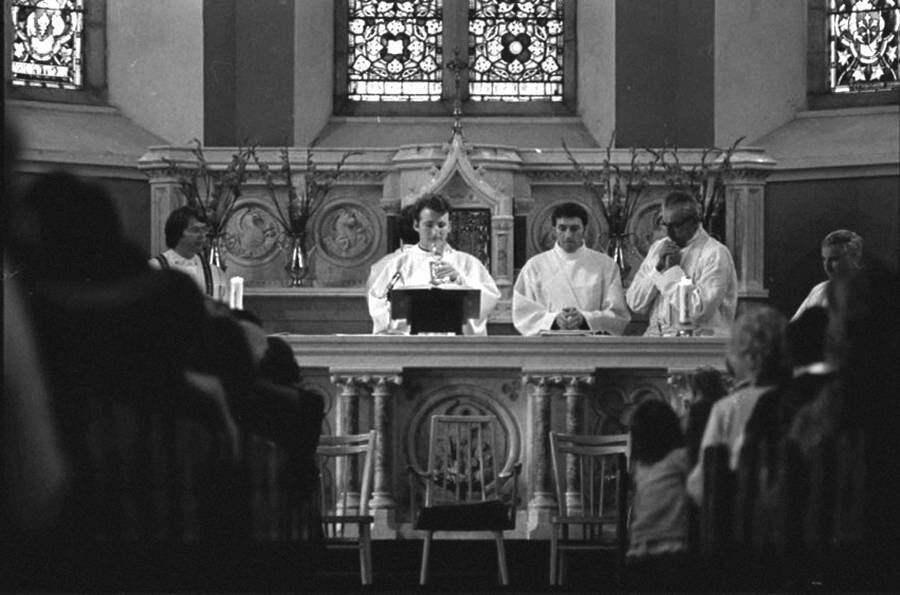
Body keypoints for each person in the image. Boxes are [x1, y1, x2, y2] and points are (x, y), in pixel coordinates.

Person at [686, 306, 789, 504]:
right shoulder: (794, 399)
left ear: (750, 358)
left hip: (736, 516)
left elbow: (700, 486)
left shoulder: (728, 409)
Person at [366, 193, 500, 335]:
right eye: (429, 225)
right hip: (412, 345)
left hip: (456, 346)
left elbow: (488, 297)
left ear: (450, 227)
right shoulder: (399, 264)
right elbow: (377, 300)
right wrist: (400, 323)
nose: (436, 232)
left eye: (441, 225)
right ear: (416, 225)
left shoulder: (468, 264)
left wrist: (462, 281)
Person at [626, 191, 738, 336]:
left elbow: (698, 311)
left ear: (694, 222)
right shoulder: (658, 248)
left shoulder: (715, 253)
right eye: (666, 225)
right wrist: (658, 269)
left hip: (698, 343)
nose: (669, 232)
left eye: (675, 225)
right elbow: (635, 303)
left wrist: (672, 271)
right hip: (656, 339)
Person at [511, 202, 630, 335]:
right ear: (554, 230)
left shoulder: (606, 265)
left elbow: (617, 314)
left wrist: (585, 319)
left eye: (574, 229)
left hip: (592, 347)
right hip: (547, 346)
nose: (568, 235)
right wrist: (553, 320)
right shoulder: (534, 266)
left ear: (584, 230)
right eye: (562, 228)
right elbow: (522, 312)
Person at [626, 399, 691, 591]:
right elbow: (697, 487)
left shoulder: (640, 466)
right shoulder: (680, 458)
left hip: (638, 548)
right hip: (671, 546)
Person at [149, 205, 229, 300]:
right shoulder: (154, 269)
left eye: (204, 230)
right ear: (177, 232)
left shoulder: (215, 273)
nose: (202, 235)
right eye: (195, 230)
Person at [791, 229, 862, 321]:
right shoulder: (819, 291)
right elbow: (794, 329)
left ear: (854, 257)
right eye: (824, 259)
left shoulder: (871, 293)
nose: (827, 266)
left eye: (834, 259)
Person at [682, 366, 729, 467]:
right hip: (726, 458)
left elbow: (690, 441)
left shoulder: (698, 408)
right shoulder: (727, 405)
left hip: (701, 459)